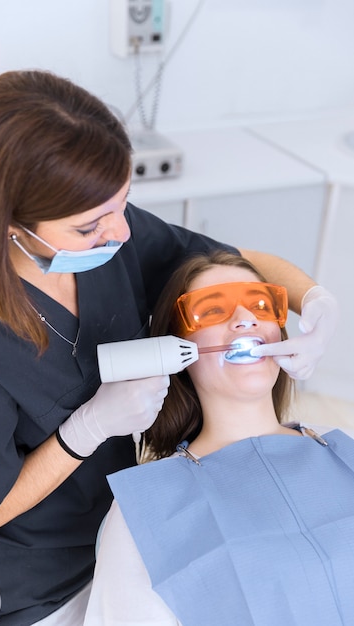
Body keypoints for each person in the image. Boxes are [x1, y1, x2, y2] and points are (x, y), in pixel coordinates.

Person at [0, 70, 337, 626]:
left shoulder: (109, 240)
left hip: (134, 523)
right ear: (9, 225)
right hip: (39, 586)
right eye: (91, 225)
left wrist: (314, 301)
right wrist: (84, 432)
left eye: (124, 204)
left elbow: (229, 261)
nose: (122, 232)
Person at [84, 250, 354, 626]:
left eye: (260, 305)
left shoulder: (342, 448)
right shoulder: (146, 508)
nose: (245, 319)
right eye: (212, 311)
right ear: (174, 351)